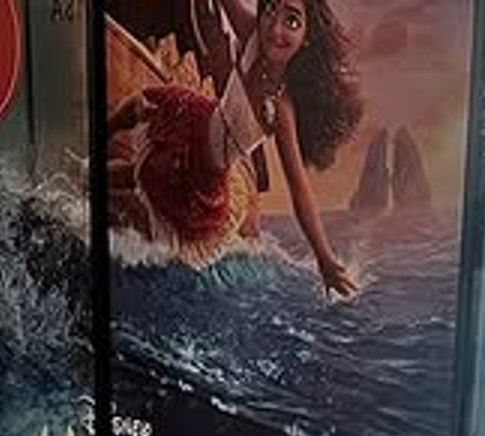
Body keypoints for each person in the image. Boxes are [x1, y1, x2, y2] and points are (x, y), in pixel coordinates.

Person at [108, 0, 363, 295]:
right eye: (270, 11)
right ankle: (99, 135)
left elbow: (299, 189)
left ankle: (91, 179)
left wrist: (325, 258)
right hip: (197, 118)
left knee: (148, 177)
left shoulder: (281, 107)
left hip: (207, 170)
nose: (275, 28)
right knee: (143, 106)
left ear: (306, 38)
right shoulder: (252, 35)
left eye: (291, 21)